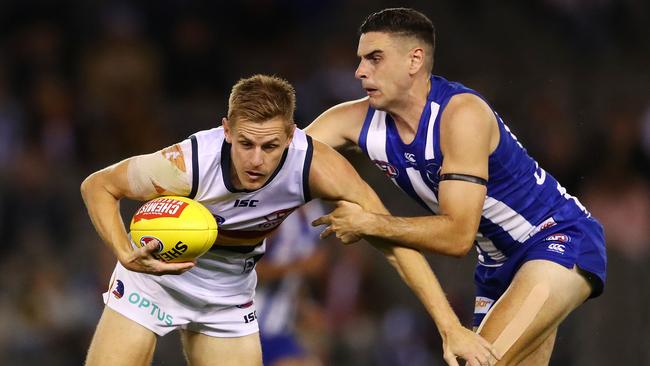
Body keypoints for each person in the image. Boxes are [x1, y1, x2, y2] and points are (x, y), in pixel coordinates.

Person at [80, 74, 498, 366]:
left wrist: (449, 327)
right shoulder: (185, 163)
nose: (256, 160)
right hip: (154, 283)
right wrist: (123, 251)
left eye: (270, 145)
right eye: (245, 143)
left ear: (293, 134)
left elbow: (389, 239)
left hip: (229, 294)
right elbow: (97, 186)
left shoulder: (317, 167)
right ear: (226, 129)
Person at [307, 8, 607, 365]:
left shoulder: (461, 115)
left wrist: (370, 223)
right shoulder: (351, 120)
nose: (359, 71)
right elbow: (284, 158)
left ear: (414, 60)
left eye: (374, 58)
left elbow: (456, 236)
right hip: (495, 267)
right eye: (360, 60)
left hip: (555, 240)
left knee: (473, 363)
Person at [256, 202, 328, 366]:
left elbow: (294, 281)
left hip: (280, 327)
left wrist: (306, 306)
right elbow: (245, 271)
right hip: (249, 324)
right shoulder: (275, 214)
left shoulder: (316, 213)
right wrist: (298, 267)